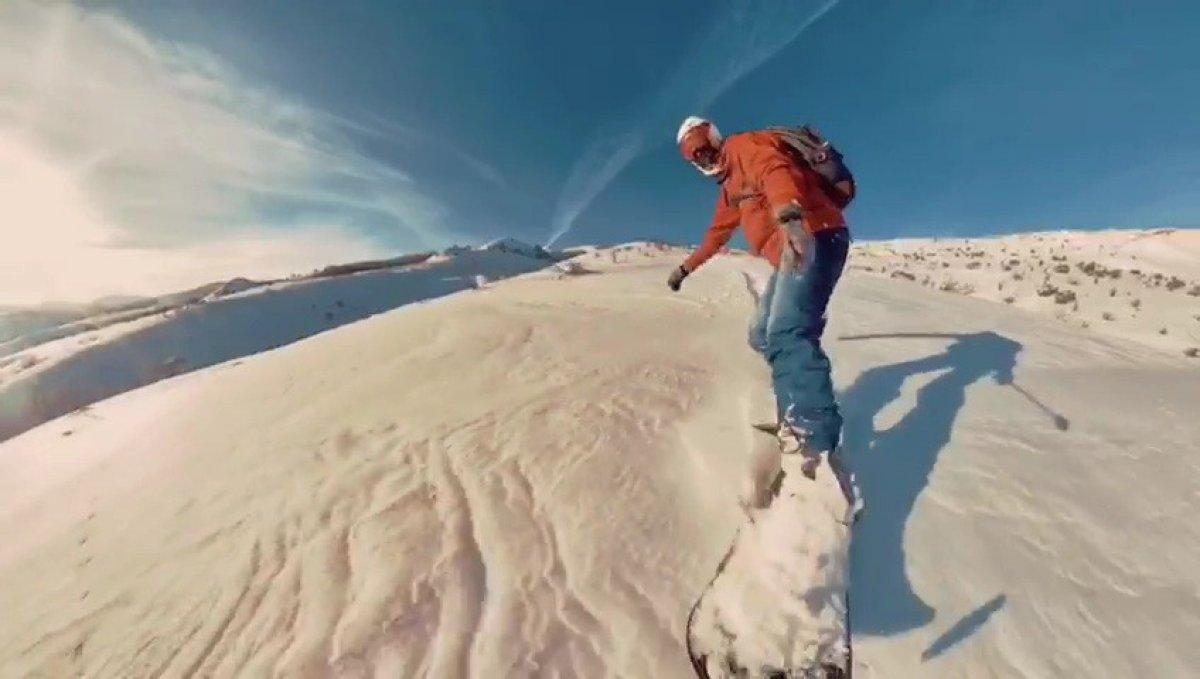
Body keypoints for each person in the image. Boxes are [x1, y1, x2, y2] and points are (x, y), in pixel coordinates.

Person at [668, 116, 861, 517]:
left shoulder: (744, 147)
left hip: (814, 234)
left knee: (789, 331)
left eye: (704, 148)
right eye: (694, 157)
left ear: (716, 138)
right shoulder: (729, 191)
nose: (704, 158)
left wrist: (790, 216)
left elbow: (776, 172)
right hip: (790, 251)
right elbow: (716, 235)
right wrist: (686, 268)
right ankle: (793, 402)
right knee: (761, 333)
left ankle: (815, 446)